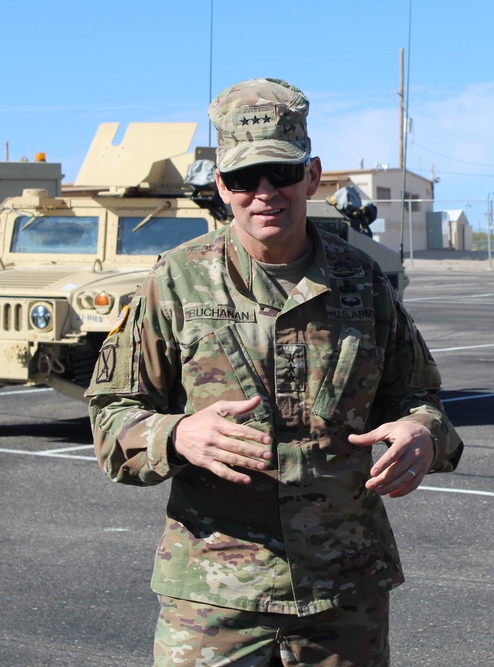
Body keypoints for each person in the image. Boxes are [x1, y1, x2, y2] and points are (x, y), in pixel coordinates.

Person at [86, 77, 463, 666]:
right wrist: (176, 434)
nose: (264, 193)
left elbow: (421, 399)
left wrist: (422, 433)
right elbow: (112, 417)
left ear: (311, 177)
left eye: (281, 174)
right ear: (221, 187)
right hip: (215, 600)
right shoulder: (176, 281)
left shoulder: (362, 282)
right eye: (242, 179)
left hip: (342, 597)